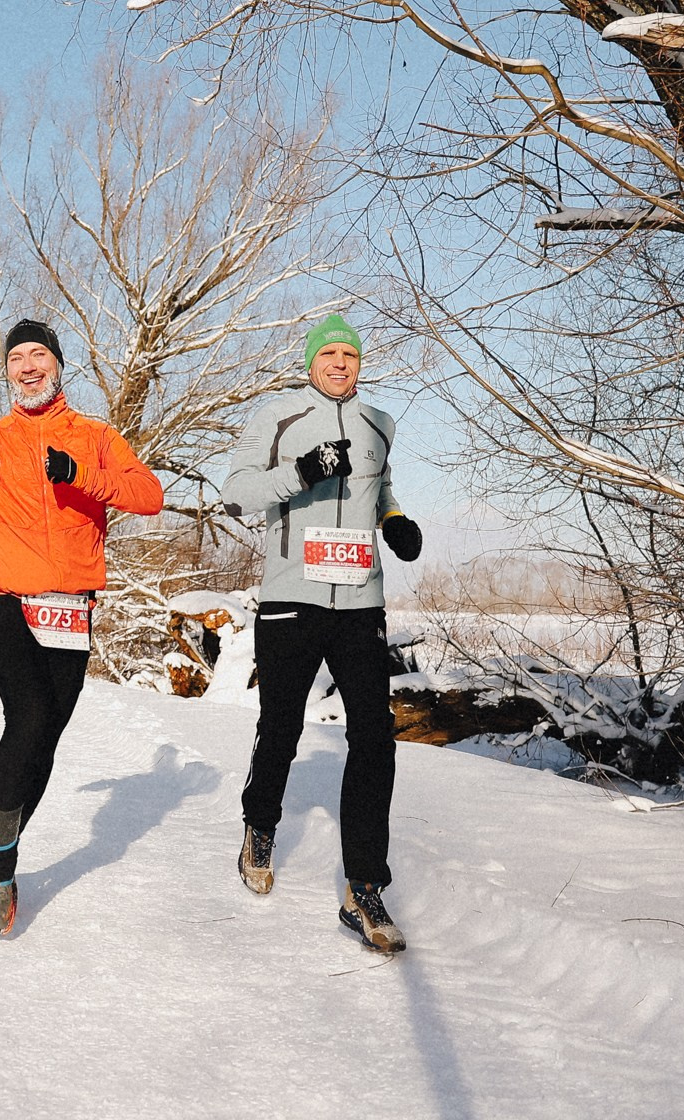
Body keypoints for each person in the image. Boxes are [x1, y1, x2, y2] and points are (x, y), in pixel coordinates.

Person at [0, 319, 164, 936]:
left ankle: (0, 847)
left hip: (69, 604)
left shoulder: (95, 435)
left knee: (45, 736)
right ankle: (0, 869)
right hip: (5, 600)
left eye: (39, 353)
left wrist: (82, 474)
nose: (28, 365)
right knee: (30, 715)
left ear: (59, 365)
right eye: (17, 357)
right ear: (7, 371)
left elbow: (149, 495)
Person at [221, 314, 424, 953]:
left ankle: (363, 887)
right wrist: (301, 473)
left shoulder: (378, 425)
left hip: (361, 601)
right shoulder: (278, 418)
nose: (340, 362)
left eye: (350, 354)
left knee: (375, 738)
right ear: (311, 362)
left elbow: (381, 490)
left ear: (360, 364)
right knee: (281, 728)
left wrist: (394, 520)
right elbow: (235, 493)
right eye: (329, 353)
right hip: (291, 598)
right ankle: (259, 828)